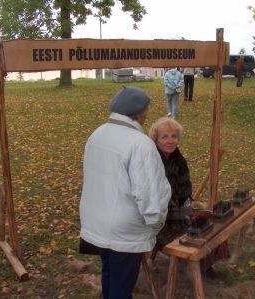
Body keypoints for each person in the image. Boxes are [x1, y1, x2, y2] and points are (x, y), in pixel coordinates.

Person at [79, 86, 172, 299]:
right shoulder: (140, 144)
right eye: (146, 110)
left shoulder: (97, 133)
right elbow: (150, 194)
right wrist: (156, 224)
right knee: (121, 285)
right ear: (140, 113)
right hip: (124, 231)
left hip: (97, 222)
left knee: (110, 274)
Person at [148, 117, 230, 278]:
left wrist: (188, 211)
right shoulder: (153, 161)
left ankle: (206, 265)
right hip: (160, 219)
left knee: (210, 223)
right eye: (164, 137)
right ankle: (200, 267)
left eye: (174, 136)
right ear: (156, 139)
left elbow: (185, 191)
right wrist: (185, 221)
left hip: (178, 211)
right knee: (196, 232)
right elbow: (161, 201)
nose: (170, 141)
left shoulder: (178, 159)